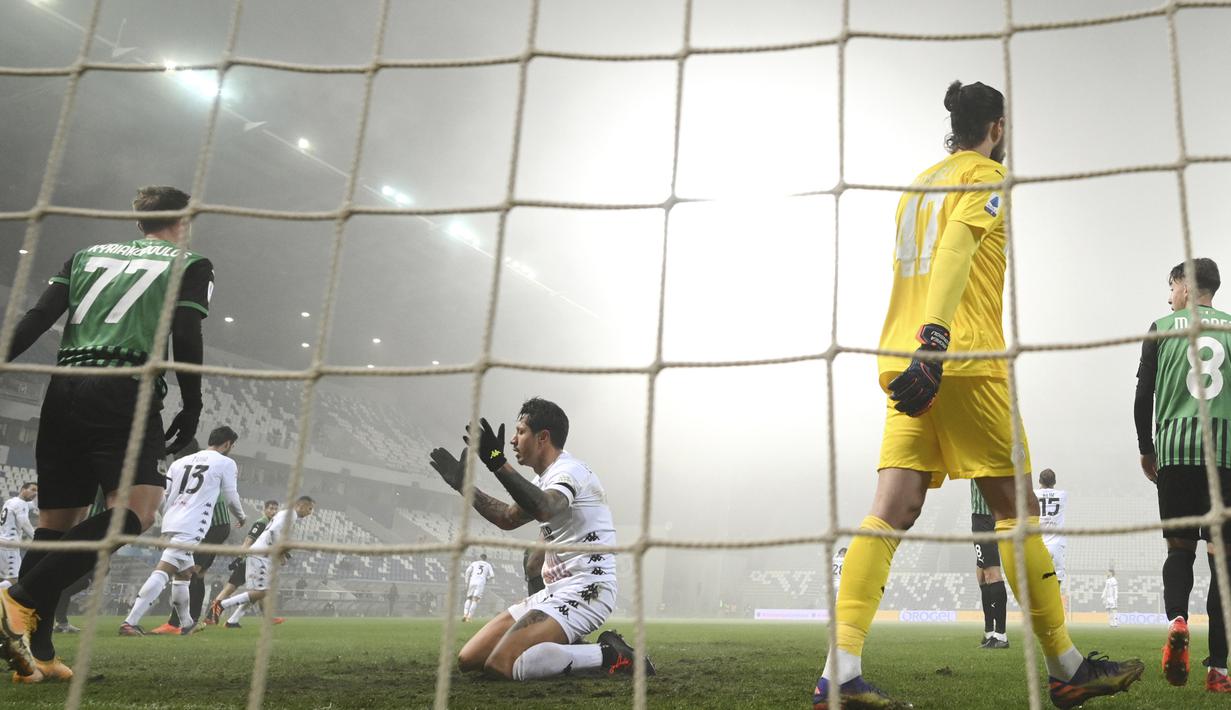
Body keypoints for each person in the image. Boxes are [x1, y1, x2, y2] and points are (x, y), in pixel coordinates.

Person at [812, 81, 1143, 710]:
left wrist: (920, 350)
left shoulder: (916, 190)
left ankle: (840, 673)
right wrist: (938, 340)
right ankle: (1069, 667)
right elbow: (958, 251)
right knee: (1017, 511)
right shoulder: (987, 178)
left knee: (890, 509)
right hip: (961, 360)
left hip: (906, 365)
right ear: (997, 127)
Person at [1, 186, 213, 682]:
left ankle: (37, 655)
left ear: (139, 221)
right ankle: (18, 600)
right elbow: (186, 334)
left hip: (65, 387)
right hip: (125, 386)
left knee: (57, 523)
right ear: (183, 221)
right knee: (136, 511)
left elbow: (39, 317)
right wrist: (194, 400)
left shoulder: (86, 254)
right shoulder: (191, 261)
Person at [428, 397, 652, 680]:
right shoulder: (543, 480)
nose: (512, 439)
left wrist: (497, 463)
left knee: (501, 665)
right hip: (554, 592)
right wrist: (465, 488)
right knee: (469, 658)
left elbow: (545, 507)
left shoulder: (571, 472)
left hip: (589, 589)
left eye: (520, 431)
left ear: (543, 437)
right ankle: (565, 643)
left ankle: (610, 653)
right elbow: (508, 518)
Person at [1135, 257, 1231, 692]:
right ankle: (1219, 671)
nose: (1169, 295)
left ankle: (1177, 621)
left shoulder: (1162, 327)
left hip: (1175, 452)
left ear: (1187, 287)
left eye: (1171, 286)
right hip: (1225, 457)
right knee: (1221, 562)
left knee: (1179, 551)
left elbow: (1143, 395)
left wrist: (1146, 448)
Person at [119, 426, 245, 636]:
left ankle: (186, 623)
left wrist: (170, 515)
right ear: (227, 444)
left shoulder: (178, 463)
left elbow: (163, 496)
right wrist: (241, 516)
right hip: (193, 525)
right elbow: (231, 496)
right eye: (231, 445)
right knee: (163, 570)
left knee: (184, 574)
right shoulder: (225, 462)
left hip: (172, 520)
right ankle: (129, 622)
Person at [211, 496, 315, 628]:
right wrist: (281, 553)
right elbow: (273, 532)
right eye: (310, 508)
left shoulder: (286, 514)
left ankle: (233, 620)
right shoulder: (290, 515)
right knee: (262, 592)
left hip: (263, 555)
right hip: (260, 555)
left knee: (257, 592)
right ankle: (221, 605)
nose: (310, 512)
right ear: (300, 505)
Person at [205, 499, 280, 624]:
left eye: (275, 509)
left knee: (258, 591)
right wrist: (239, 558)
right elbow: (248, 541)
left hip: (257, 562)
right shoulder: (261, 523)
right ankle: (211, 615)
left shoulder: (272, 524)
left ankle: (226, 619)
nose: (273, 511)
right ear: (265, 509)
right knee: (232, 590)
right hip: (249, 561)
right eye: (271, 508)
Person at [971, 483, 1008, 649]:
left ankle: (1001, 635)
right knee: (981, 575)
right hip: (981, 517)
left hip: (985, 517)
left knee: (992, 574)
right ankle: (989, 631)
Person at [1035, 469, 1069, 600]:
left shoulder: (1034, 494)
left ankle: (1040, 600)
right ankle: (1053, 599)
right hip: (1056, 543)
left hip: (1039, 542)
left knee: (1037, 575)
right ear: (1055, 482)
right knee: (1058, 575)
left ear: (1039, 481)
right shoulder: (1063, 495)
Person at [0, 484, 38, 589]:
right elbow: (24, 523)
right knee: (13, 581)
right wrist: (37, 538)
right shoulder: (21, 504)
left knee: (4, 579)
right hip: (10, 546)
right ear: (23, 490)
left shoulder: (10, 501)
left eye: (36, 491)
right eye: (32, 490)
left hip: (2, 543)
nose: (35, 493)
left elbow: (32, 505)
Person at [462, 554, 495, 622]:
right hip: (480, 583)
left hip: (472, 581)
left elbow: (467, 571)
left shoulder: (474, 563)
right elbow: (492, 575)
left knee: (468, 598)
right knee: (475, 600)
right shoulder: (488, 565)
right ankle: (469, 617)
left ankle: (465, 614)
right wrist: (487, 578)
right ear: (485, 559)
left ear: (479, 558)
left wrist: (466, 582)